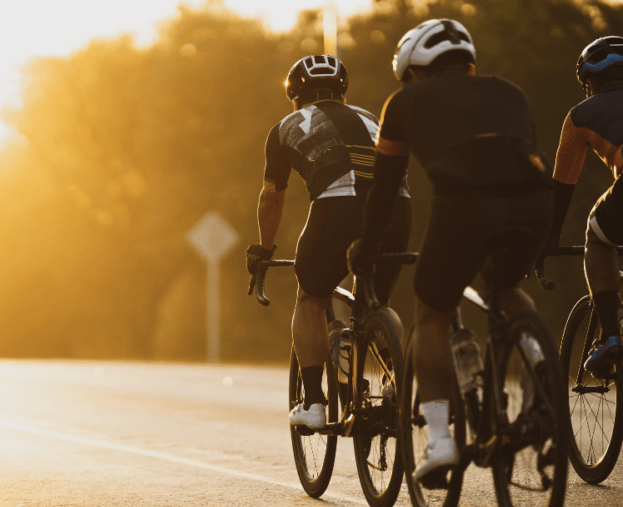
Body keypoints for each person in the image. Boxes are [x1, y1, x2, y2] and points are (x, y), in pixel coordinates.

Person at [348, 19, 553, 482]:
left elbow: (384, 189)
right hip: (534, 201)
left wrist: (367, 246)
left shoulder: (402, 102)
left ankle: (440, 442)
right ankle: (543, 369)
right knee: (503, 286)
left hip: (464, 202)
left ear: (415, 69)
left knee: (432, 312)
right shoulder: (510, 91)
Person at [246, 55, 411, 430]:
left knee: (311, 297)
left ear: (294, 94)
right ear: (342, 91)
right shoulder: (372, 117)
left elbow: (272, 196)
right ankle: (397, 383)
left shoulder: (286, 125)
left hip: (338, 207)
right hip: (398, 208)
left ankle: (315, 404)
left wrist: (265, 249)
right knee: (375, 303)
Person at [547, 36, 623, 374]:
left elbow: (563, 186)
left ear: (591, 80)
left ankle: (611, 337)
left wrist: (550, 239)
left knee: (597, 230)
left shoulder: (581, 114)